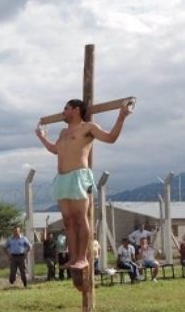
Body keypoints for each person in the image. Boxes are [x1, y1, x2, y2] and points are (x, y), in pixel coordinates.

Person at [35, 99, 131, 290]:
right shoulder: (63, 132)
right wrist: (42, 137)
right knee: (68, 221)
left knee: (81, 217)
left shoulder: (88, 127)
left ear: (76, 110)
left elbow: (111, 138)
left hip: (79, 176)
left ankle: (82, 258)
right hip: (62, 179)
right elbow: (55, 150)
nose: (63, 112)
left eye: (66, 108)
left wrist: (121, 117)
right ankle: (72, 257)